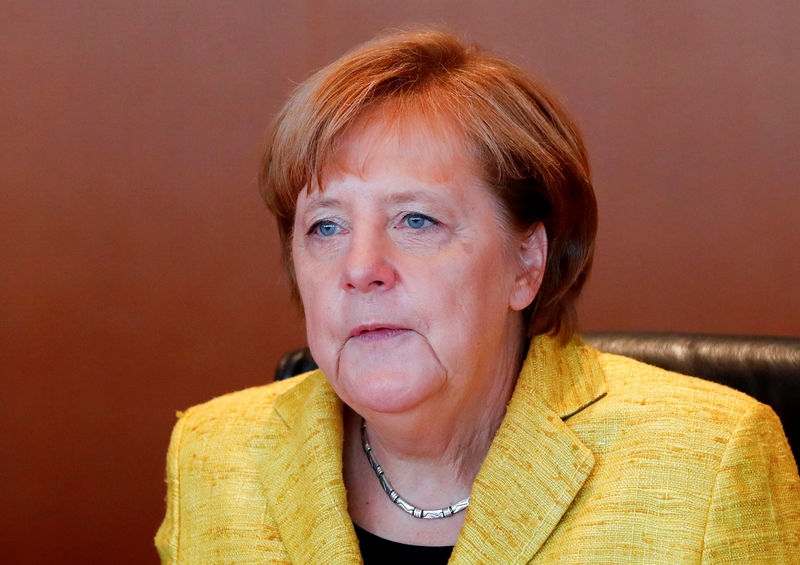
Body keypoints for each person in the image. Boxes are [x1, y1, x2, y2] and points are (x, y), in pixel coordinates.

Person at [155, 29, 800, 563]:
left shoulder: (708, 466)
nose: (361, 268)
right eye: (326, 226)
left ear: (527, 262)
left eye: (416, 220)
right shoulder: (216, 453)